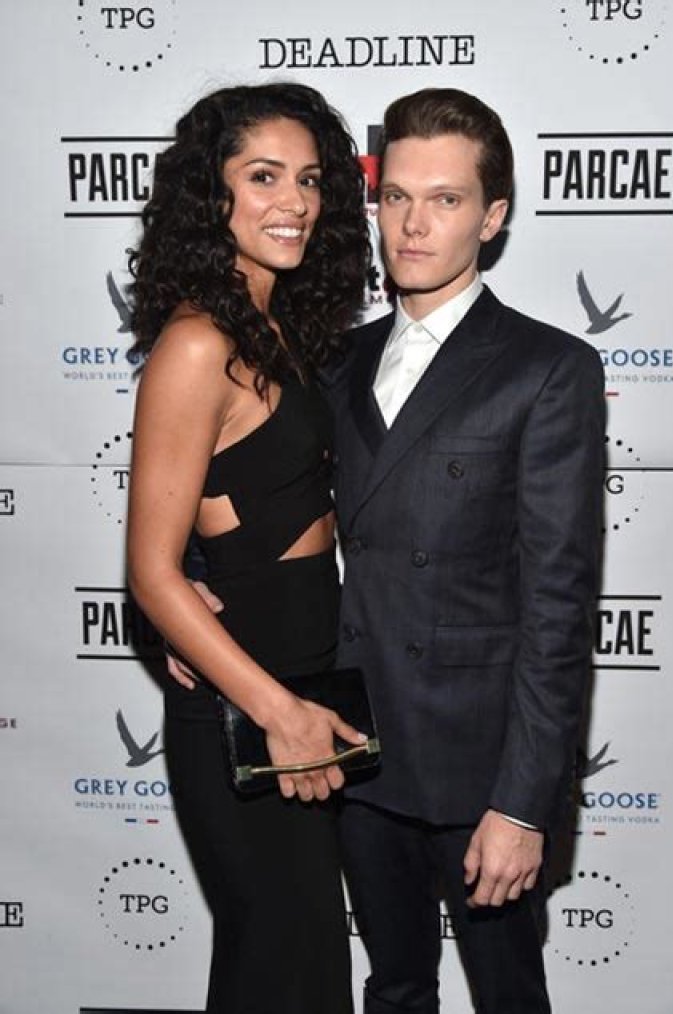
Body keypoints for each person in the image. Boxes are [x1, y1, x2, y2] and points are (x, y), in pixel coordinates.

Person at [329, 88, 606, 1013]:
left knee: (507, 997)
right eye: (396, 197)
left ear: (491, 218)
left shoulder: (548, 368)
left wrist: (523, 802)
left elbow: (559, 605)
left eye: (445, 200)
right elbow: (263, 497)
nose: (413, 225)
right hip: (356, 749)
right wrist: (196, 581)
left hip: (480, 765)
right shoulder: (337, 360)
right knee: (393, 988)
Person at [126, 82, 369, 1014]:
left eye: (309, 179)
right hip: (249, 699)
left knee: (303, 973)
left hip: (307, 678)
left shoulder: (280, 329)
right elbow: (151, 570)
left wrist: (303, 706)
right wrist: (278, 711)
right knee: (278, 971)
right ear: (211, 193)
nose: (294, 201)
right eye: (264, 176)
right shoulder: (197, 343)